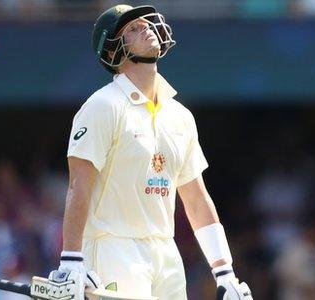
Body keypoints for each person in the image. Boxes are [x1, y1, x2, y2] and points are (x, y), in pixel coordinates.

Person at [46, 4, 252, 300]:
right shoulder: (103, 106)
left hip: (165, 251)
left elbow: (195, 199)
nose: (145, 27)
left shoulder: (180, 115)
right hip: (113, 247)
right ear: (113, 50)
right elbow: (78, 185)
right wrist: (71, 260)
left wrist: (225, 272)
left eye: (146, 23)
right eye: (131, 28)